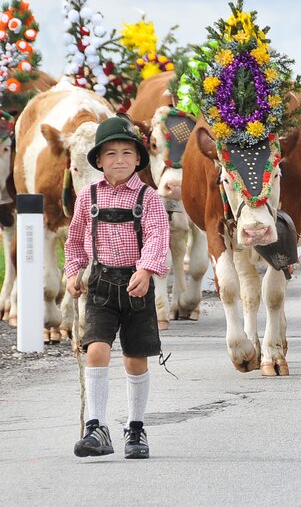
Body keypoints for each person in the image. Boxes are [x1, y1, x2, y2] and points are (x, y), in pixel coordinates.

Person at [65, 117, 170, 459]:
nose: (120, 160)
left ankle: (135, 429)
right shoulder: (87, 197)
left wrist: (146, 268)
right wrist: (73, 271)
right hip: (100, 286)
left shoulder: (149, 198)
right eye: (110, 154)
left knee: (135, 358)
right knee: (96, 349)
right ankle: (96, 427)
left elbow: (157, 235)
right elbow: (75, 240)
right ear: (98, 160)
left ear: (139, 159)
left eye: (127, 152)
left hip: (136, 285)